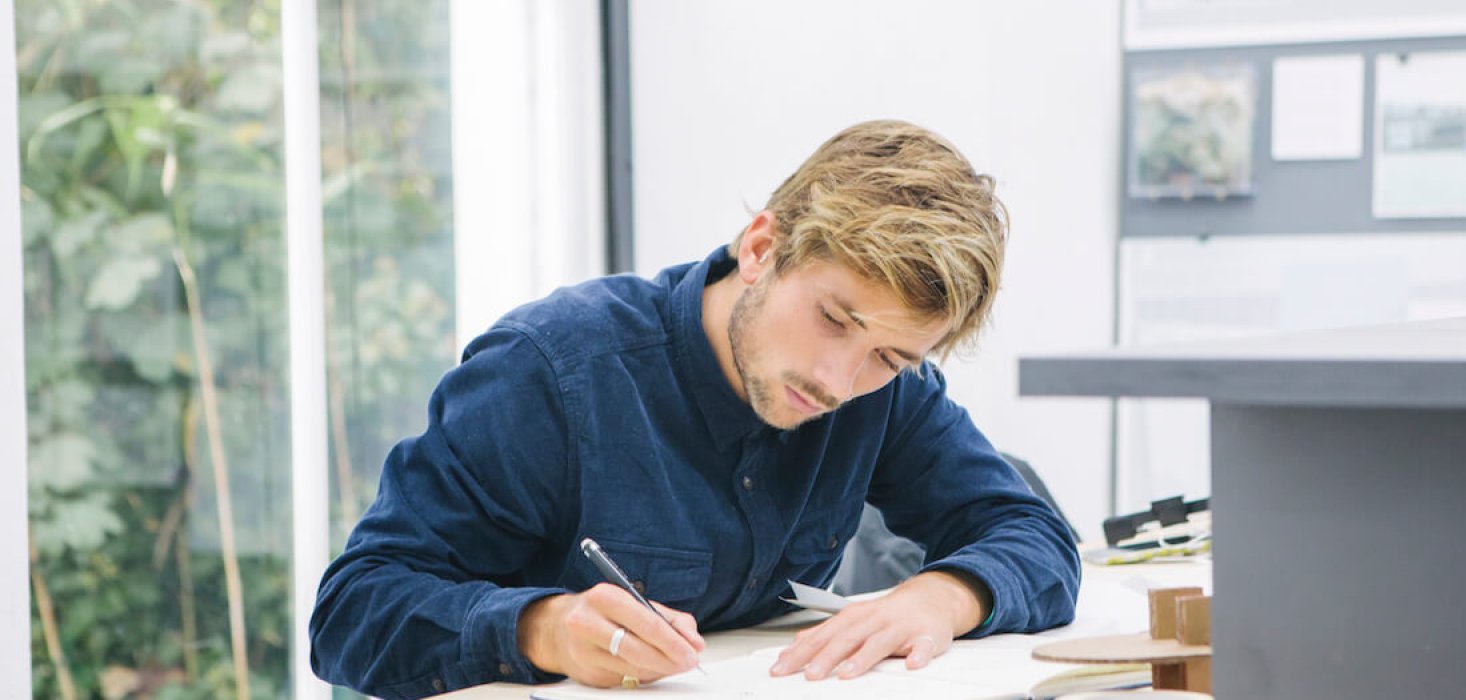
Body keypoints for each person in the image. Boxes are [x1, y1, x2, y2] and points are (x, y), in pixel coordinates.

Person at [309, 119, 1081, 698]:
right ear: (760, 248)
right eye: (834, 320)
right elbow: (352, 611)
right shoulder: (549, 372)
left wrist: (945, 597)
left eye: (888, 356)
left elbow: (1034, 535)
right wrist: (541, 628)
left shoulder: (886, 394)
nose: (838, 380)